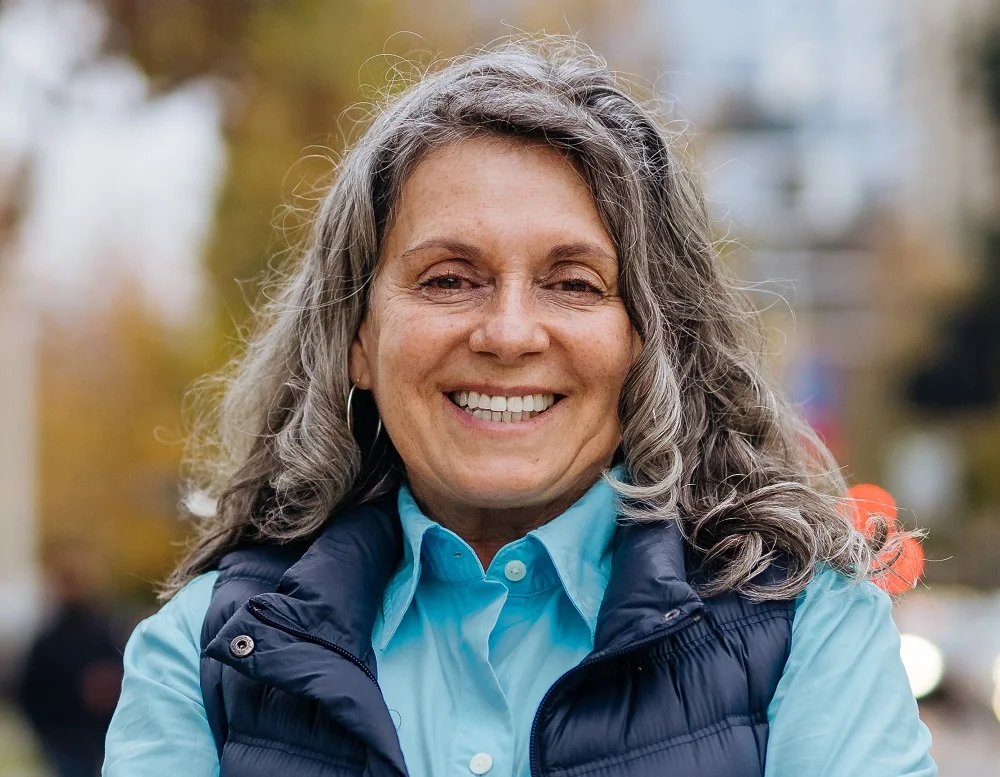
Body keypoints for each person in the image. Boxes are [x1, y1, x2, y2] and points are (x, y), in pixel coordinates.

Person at [103, 37, 936, 777]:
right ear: (356, 337)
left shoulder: (807, 627)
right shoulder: (206, 653)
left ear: (647, 339)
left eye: (572, 283)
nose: (507, 332)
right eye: (448, 279)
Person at [19, 542, 123, 777]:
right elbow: (30, 691)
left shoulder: (107, 632)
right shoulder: (50, 639)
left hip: (98, 738)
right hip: (66, 740)